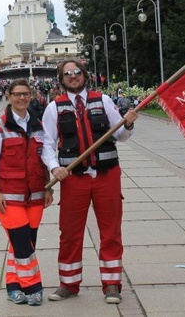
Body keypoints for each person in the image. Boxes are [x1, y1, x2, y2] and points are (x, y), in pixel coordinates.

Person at [42, 60, 138, 305]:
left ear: (84, 76)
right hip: (74, 179)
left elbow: (121, 135)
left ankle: (112, 285)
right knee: (70, 233)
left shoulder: (103, 100)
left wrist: (128, 123)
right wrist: (55, 168)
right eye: (67, 74)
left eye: (76, 72)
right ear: (61, 80)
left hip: (107, 176)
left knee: (111, 231)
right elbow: (47, 145)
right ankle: (69, 284)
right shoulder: (54, 107)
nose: (73, 77)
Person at [0, 79, 61, 307]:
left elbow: (43, 157)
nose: (21, 98)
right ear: (9, 96)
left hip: (36, 195)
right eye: (17, 94)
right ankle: (33, 287)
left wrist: (48, 187)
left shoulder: (37, 125)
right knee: (23, 244)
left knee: (25, 243)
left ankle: (13, 286)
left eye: (25, 94)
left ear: (31, 95)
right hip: (9, 196)